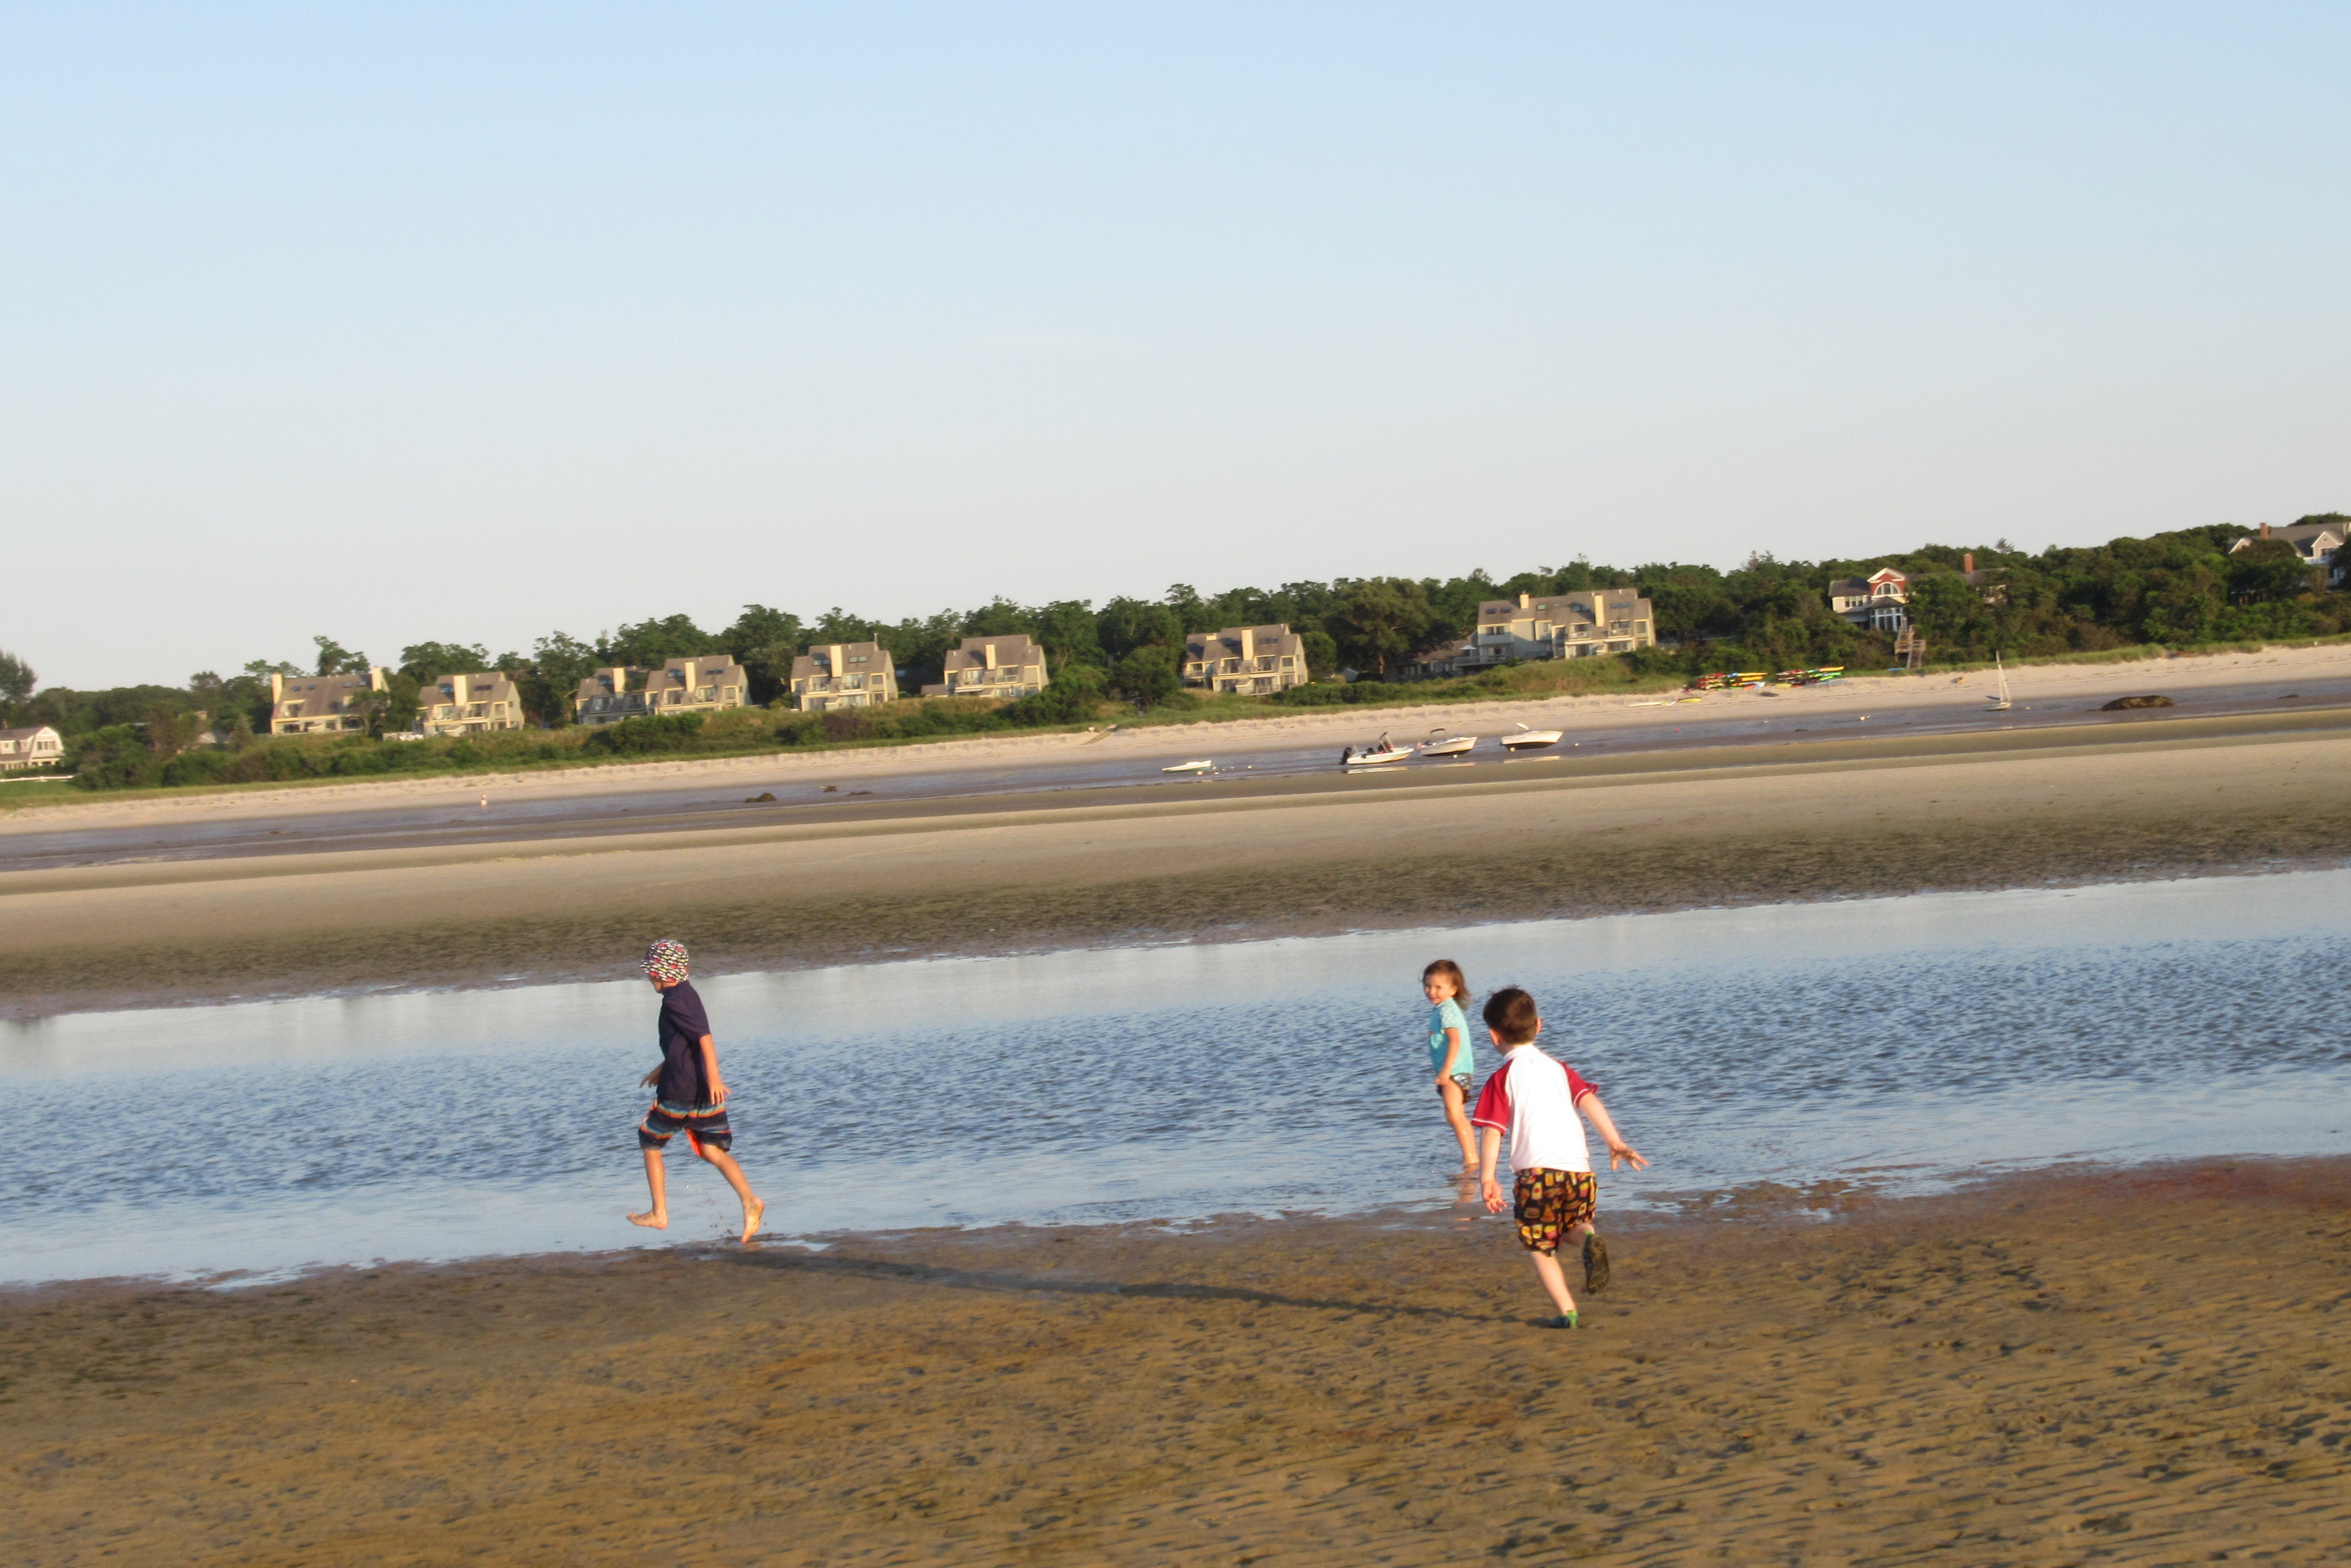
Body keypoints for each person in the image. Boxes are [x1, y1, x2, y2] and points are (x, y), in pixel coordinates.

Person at [1471, 986, 1644, 1329]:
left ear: (1493, 1036)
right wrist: (1614, 1141)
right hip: (1579, 1171)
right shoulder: (1559, 1069)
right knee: (1572, 1226)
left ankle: (1568, 1312)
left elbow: (1492, 1131)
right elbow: (1588, 1101)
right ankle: (1589, 1239)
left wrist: (1487, 1178)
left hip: (1537, 1176)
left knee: (1540, 1244)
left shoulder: (1502, 1078)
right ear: (1539, 1025)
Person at [627, 939, 765, 1243]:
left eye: (650, 972)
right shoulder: (687, 993)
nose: (648, 977)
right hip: (702, 1090)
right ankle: (750, 1201)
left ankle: (659, 1213)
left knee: (650, 1141)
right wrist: (664, 1066)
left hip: (681, 1090)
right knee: (710, 1149)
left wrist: (715, 1078)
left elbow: (704, 1038)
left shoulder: (674, 1001)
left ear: (658, 973)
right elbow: (686, 1045)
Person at [1422, 959, 1478, 1169]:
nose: (1432, 992)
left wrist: (1446, 1070)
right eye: (1428, 986)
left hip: (1454, 1070)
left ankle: (1471, 1158)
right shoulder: (1445, 1009)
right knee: (1455, 1115)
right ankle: (1471, 1156)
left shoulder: (1446, 1010)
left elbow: (1455, 1040)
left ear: (1453, 990)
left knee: (1455, 1114)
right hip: (1456, 1070)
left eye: (1438, 987)